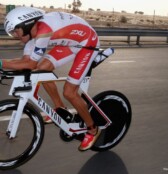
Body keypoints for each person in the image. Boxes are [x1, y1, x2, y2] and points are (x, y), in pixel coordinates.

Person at [1, 6, 101, 151]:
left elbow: (29, 64)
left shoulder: (43, 32)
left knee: (69, 92)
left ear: (27, 25)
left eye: (16, 31)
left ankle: (92, 129)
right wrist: (3, 66)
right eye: (13, 33)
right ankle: (60, 107)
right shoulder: (32, 35)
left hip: (87, 43)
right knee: (42, 69)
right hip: (71, 43)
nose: (16, 35)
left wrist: (1, 63)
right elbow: (25, 61)